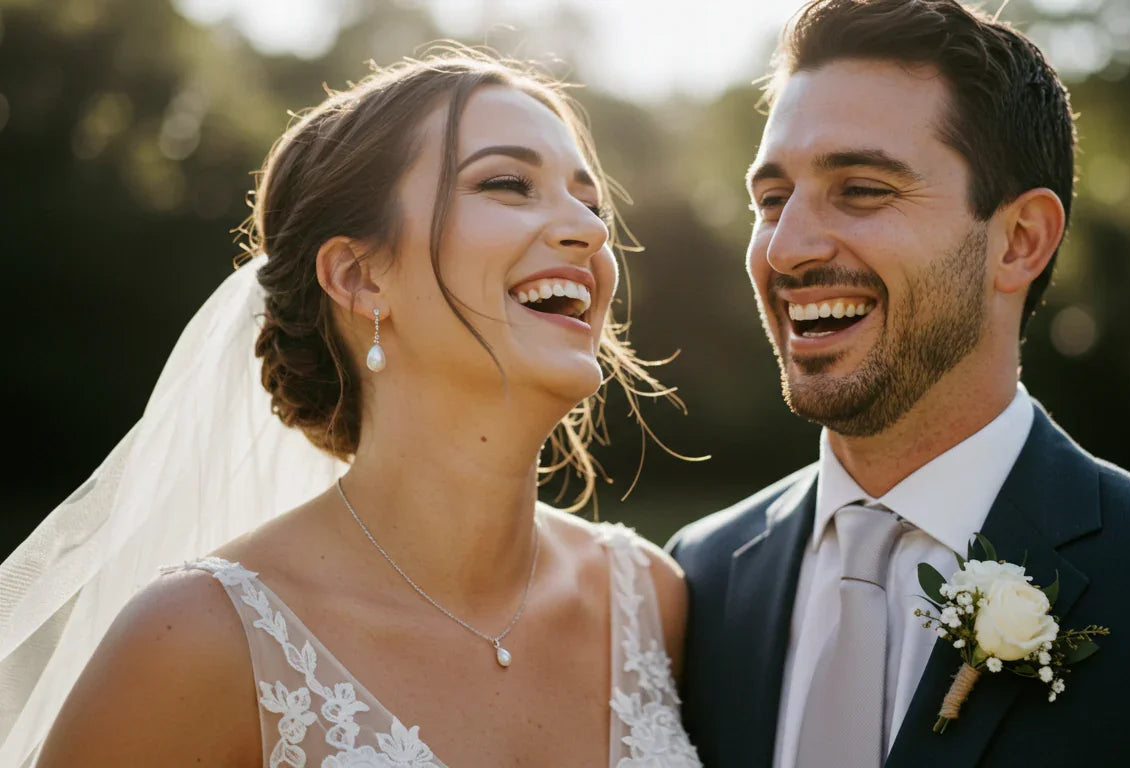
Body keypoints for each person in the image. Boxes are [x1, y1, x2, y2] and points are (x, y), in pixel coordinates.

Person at [666, 1, 1130, 766]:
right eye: (771, 200)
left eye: (862, 189)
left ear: (1019, 241)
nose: (786, 248)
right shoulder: (699, 579)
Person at [1, 47, 700, 767]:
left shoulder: (650, 601)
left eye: (588, 200)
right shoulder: (201, 640)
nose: (589, 231)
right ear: (359, 277)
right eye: (508, 184)